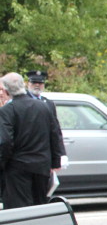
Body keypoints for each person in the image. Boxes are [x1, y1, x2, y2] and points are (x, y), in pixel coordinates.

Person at [0, 73, 63, 208]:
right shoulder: (44, 107)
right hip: (41, 166)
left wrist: (2, 163)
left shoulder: (7, 110)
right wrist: (55, 161)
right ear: (23, 85)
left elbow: (5, 142)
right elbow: (54, 134)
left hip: (17, 168)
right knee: (39, 205)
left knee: (19, 209)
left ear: (6, 91)